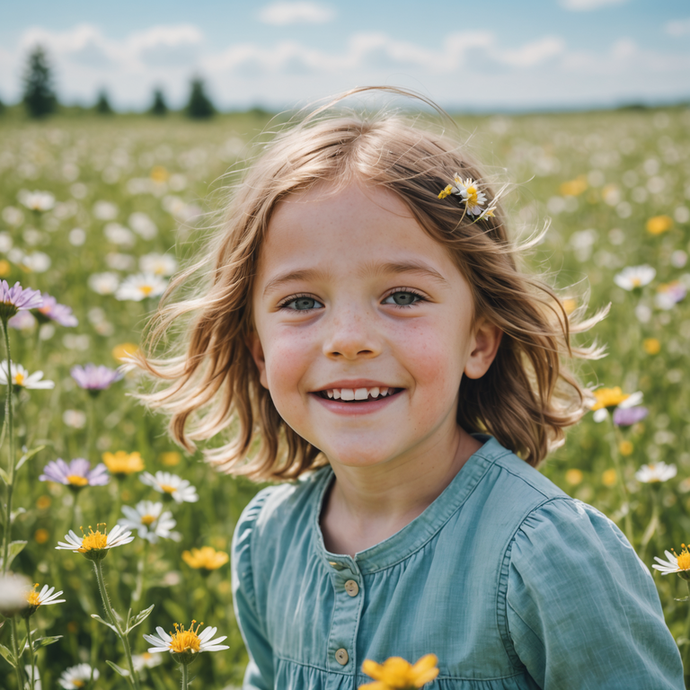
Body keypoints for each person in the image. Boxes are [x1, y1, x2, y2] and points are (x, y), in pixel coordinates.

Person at [136, 87, 684, 689]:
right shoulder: (267, 539)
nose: (348, 339)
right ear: (260, 353)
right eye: (301, 302)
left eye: (402, 296)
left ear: (479, 340)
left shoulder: (548, 557)